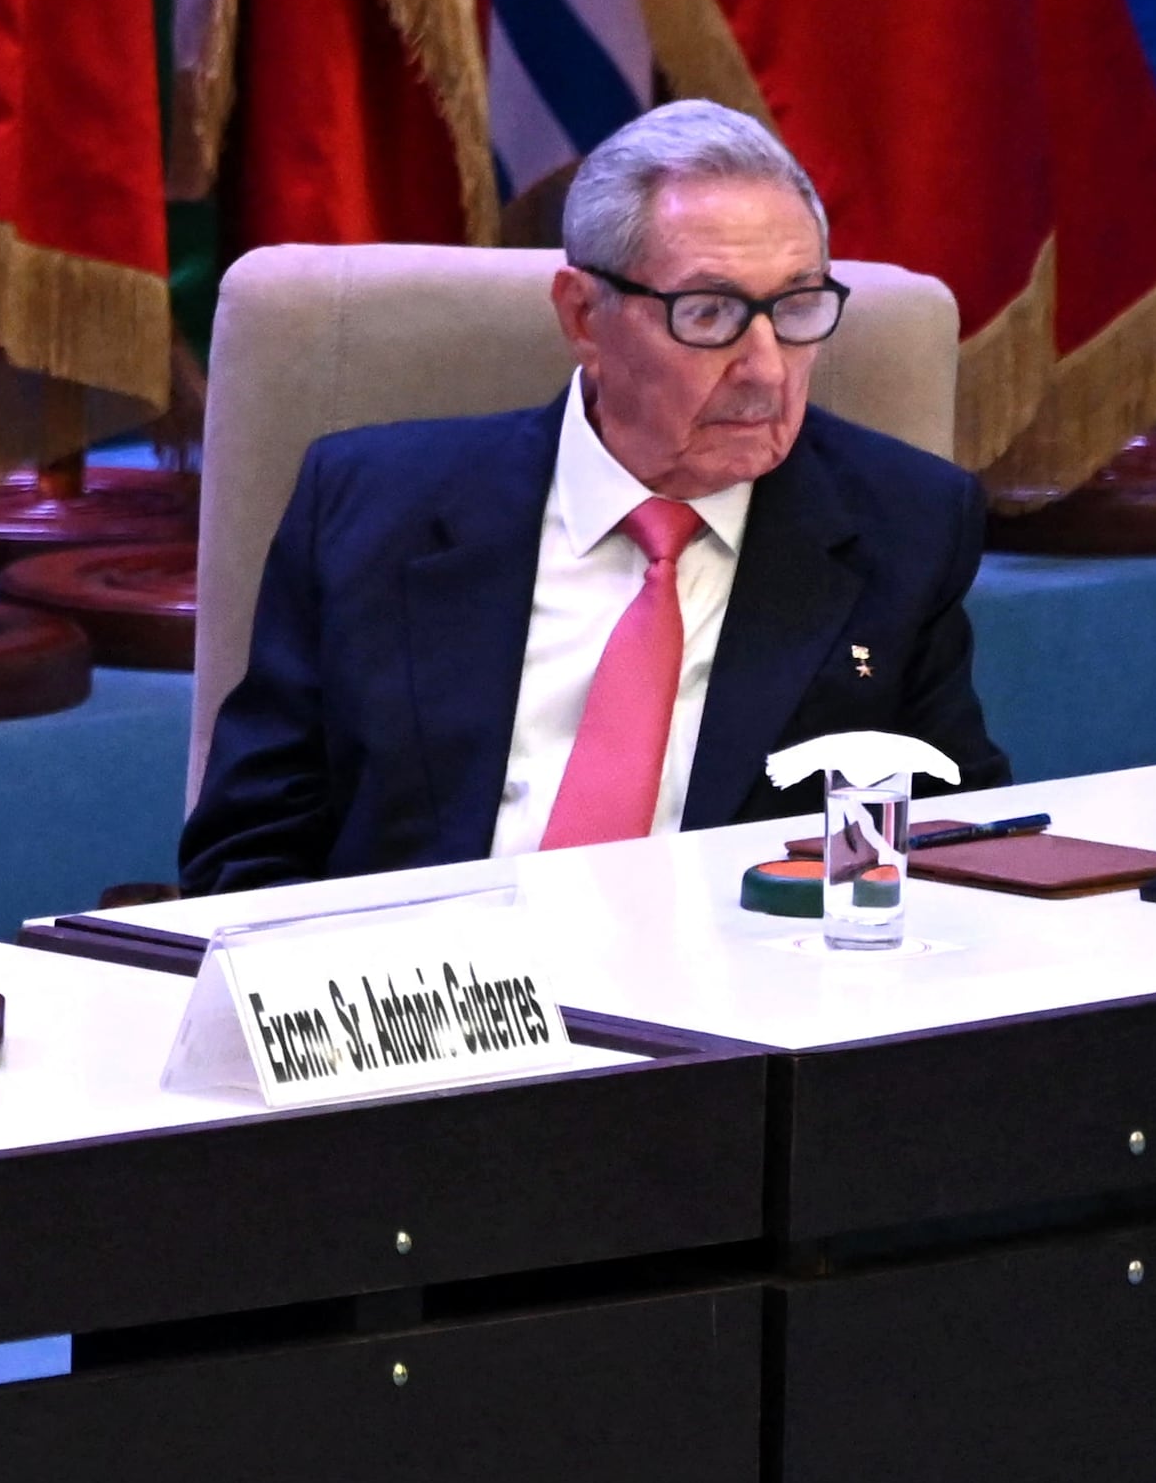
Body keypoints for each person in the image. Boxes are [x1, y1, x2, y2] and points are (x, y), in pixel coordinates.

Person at [178, 100, 1004, 894]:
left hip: (741, 1009)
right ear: (584, 317)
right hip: (430, 1003)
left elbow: (946, 846)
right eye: (709, 312)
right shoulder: (371, 510)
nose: (766, 368)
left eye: (795, 308)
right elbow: (250, 850)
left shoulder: (904, 526)